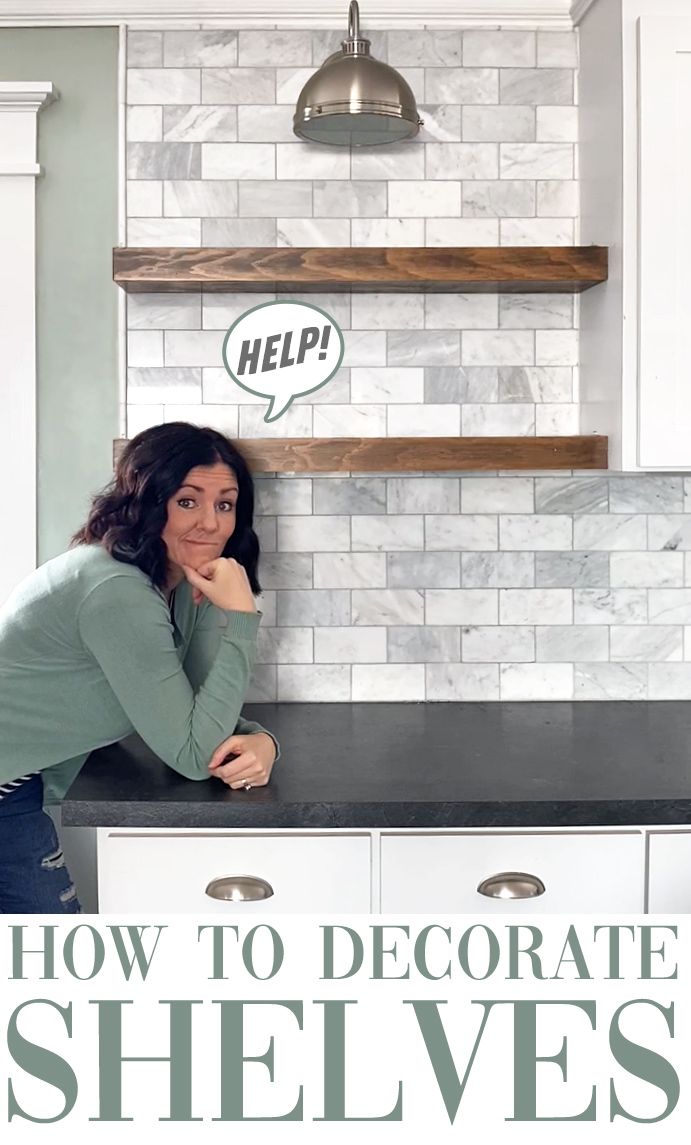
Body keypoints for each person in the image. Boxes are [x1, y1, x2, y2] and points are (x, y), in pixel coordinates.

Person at [0, 422, 280, 914]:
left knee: (47, 967)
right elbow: (194, 755)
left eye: (225, 504)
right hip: (8, 788)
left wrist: (261, 740)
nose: (211, 524)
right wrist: (241, 620)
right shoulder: (117, 590)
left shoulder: (172, 579)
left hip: (19, 783)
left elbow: (188, 702)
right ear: (148, 502)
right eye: (187, 501)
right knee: (53, 967)